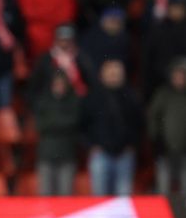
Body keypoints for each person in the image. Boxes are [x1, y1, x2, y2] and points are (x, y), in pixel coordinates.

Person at [83, 59, 142, 196]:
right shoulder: (93, 97)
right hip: (100, 154)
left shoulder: (131, 96)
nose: (114, 76)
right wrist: (90, 146)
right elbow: (82, 125)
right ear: (102, 75)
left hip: (124, 154)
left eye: (117, 74)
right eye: (111, 73)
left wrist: (133, 145)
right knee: (100, 200)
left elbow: (139, 124)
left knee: (123, 200)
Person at [33, 71, 82, 196]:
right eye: (56, 84)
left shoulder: (73, 101)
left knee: (65, 197)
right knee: (45, 197)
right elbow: (40, 125)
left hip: (67, 156)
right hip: (46, 156)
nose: (59, 87)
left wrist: (52, 121)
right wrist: (62, 122)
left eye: (62, 84)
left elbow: (74, 122)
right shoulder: (43, 101)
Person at [147, 58, 186, 194]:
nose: (179, 78)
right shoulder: (163, 94)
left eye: (182, 75)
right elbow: (153, 118)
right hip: (165, 149)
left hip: (184, 149)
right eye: (177, 74)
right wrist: (157, 140)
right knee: (163, 189)